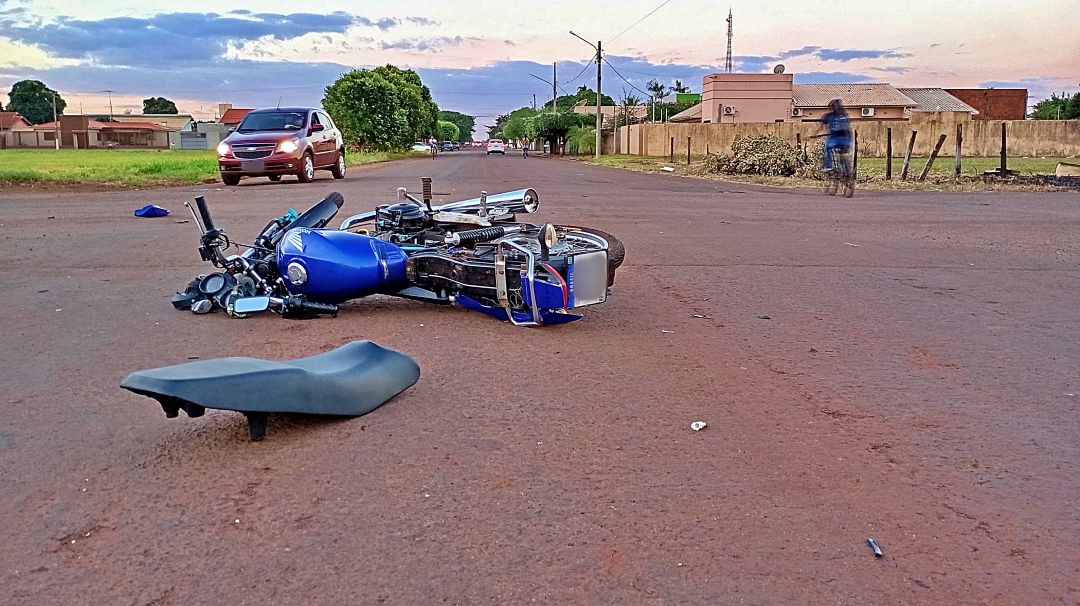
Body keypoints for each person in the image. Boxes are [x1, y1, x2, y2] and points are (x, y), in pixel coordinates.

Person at [815, 99, 852, 176]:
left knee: (827, 147)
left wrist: (815, 134)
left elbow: (820, 127)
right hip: (847, 139)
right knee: (843, 155)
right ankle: (848, 172)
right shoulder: (845, 116)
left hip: (835, 138)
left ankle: (828, 166)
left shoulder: (829, 116)